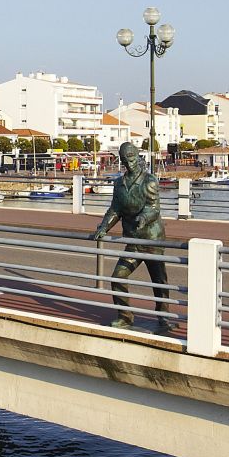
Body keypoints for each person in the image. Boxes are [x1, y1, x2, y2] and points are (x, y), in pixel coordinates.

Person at [90, 142, 173, 331]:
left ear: (138, 156)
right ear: (122, 160)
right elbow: (115, 209)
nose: (130, 162)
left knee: (159, 281)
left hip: (152, 239)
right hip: (132, 240)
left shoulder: (149, 180)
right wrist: (104, 227)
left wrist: (144, 217)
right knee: (118, 278)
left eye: (133, 157)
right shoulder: (119, 184)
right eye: (126, 159)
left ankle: (164, 317)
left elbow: (154, 208)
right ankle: (125, 316)